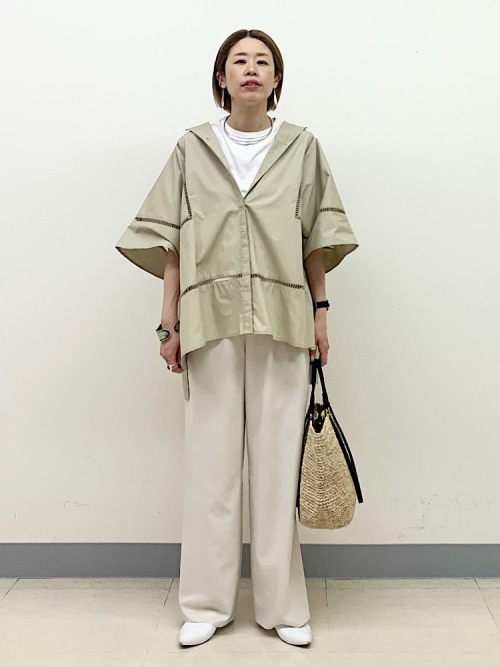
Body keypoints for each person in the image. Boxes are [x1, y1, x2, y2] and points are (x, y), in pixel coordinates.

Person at [116, 28, 358, 648]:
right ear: (221, 77)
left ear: (276, 78)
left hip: (284, 319)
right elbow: (171, 242)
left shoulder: (302, 147)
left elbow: (315, 239)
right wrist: (168, 322)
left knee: (278, 470)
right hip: (210, 318)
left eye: (263, 61)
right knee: (211, 470)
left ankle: (283, 607)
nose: (251, 69)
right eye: (239, 61)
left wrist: (320, 313)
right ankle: (205, 603)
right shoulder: (191, 148)